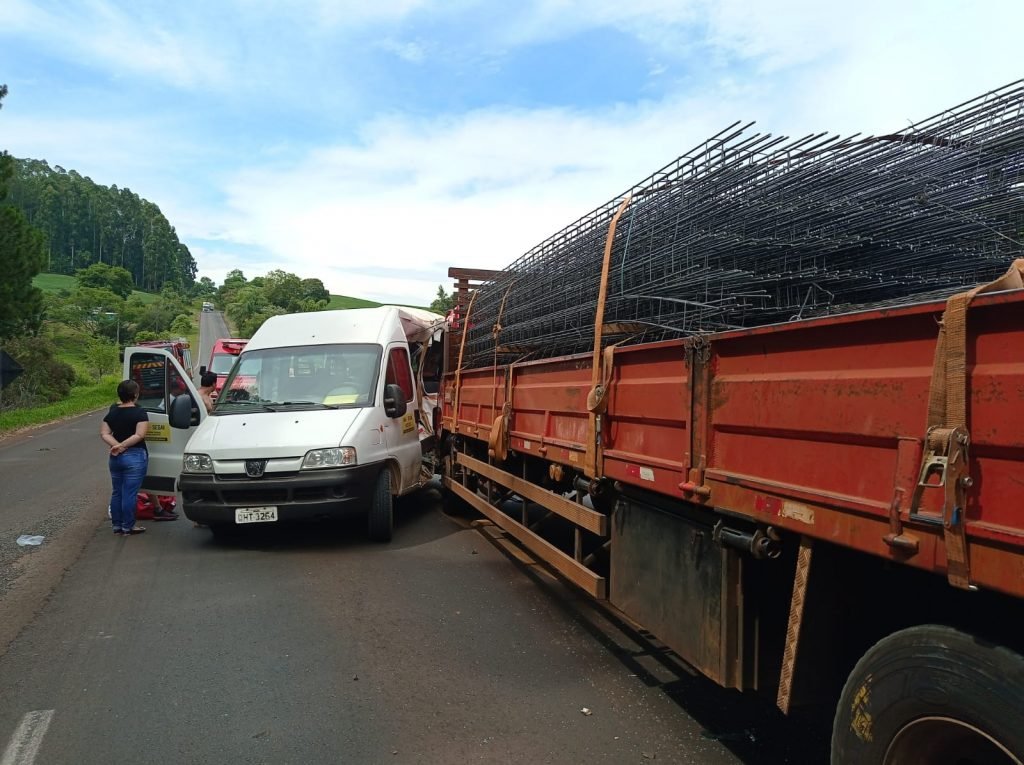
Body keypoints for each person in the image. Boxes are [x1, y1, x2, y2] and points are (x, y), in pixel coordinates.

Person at [100, 380, 149, 536]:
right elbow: (139, 435)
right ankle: (128, 526)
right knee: (129, 493)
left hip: (115, 457)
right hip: (134, 455)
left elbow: (104, 433)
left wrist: (116, 446)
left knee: (117, 492)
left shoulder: (112, 411)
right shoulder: (139, 412)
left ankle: (117, 526)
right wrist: (122, 446)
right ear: (135, 395)